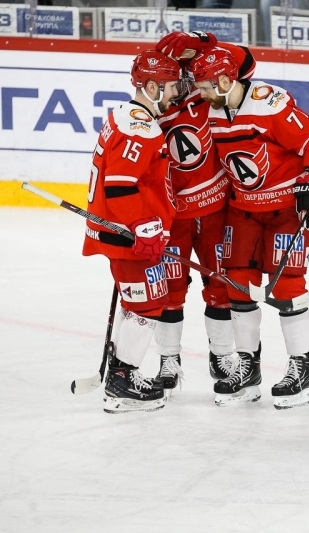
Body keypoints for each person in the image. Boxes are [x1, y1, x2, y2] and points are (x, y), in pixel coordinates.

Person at [188, 46, 309, 408]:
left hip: (286, 208)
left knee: (286, 288)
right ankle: (248, 370)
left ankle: (302, 372)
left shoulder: (267, 104)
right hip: (244, 210)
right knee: (237, 283)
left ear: (225, 80)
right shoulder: (211, 111)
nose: (201, 93)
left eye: (206, 86)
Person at [151, 31, 257, 395]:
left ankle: (222, 355)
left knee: (221, 286)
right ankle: (168, 357)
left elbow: (245, 60)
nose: (180, 85)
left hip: (217, 212)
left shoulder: (205, 92)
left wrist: (204, 41)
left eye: (182, 75)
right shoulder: (149, 113)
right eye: (171, 78)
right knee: (170, 289)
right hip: (175, 218)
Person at [82, 50, 181, 413]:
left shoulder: (124, 115)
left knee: (136, 301)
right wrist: (144, 228)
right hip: (128, 234)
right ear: (152, 86)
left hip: (123, 231)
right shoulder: (141, 126)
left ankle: (121, 373)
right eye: (170, 87)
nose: (175, 94)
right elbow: (120, 185)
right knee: (149, 302)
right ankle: (123, 382)